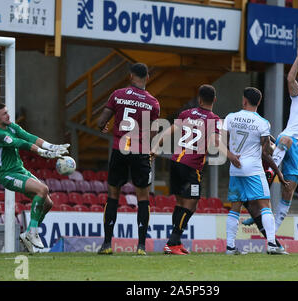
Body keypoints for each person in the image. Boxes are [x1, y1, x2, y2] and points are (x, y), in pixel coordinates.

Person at [250, 44, 298, 233]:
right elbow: (291, 78)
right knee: (285, 139)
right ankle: (270, 172)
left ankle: (272, 233)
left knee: (288, 190)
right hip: (287, 138)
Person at [150, 84, 232, 255]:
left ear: (199, 99)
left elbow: (170, 131)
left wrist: (157, 146)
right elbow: (217, 142)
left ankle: (176, 243)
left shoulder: (186, 114)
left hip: (176, 161)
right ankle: (172, 243)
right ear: (214, 100)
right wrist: (231, 157)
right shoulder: (214, 119)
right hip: (191, 167)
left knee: (180, 203)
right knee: (191, 204)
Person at [96, 62, 160, 256]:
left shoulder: (117, 95)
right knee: (143, 197)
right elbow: (154, 130)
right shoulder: (153, 103)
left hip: (119, 149)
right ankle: (141, 246)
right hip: (140, 152)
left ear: (131, 76)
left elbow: (101, 122)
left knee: (113, 194)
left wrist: (103, 127)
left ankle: (107, 244)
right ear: (147, 78)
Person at [0, 103, 69, 253]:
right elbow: (19, 142)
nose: (8, 115)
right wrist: (42, 152)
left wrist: (51, 147)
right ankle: (32, 232)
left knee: (48, 203)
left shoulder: (11, 126)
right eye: (4, 113)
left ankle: (28, 235)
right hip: (8, 175)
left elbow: (28, 136)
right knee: (43, 189)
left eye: (7, 112)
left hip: (19, 169)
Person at [223, 87, 289, 255]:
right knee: (264, 205)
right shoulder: (262, 123)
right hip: (253, 168)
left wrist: (230, 155)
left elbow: (222, 141)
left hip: (235, 167)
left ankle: (230, 246)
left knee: (235, 207)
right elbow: (266, 151)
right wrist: (276, 148)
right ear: (259, 102)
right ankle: (272, 244)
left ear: (244, 100)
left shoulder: (230, 118)